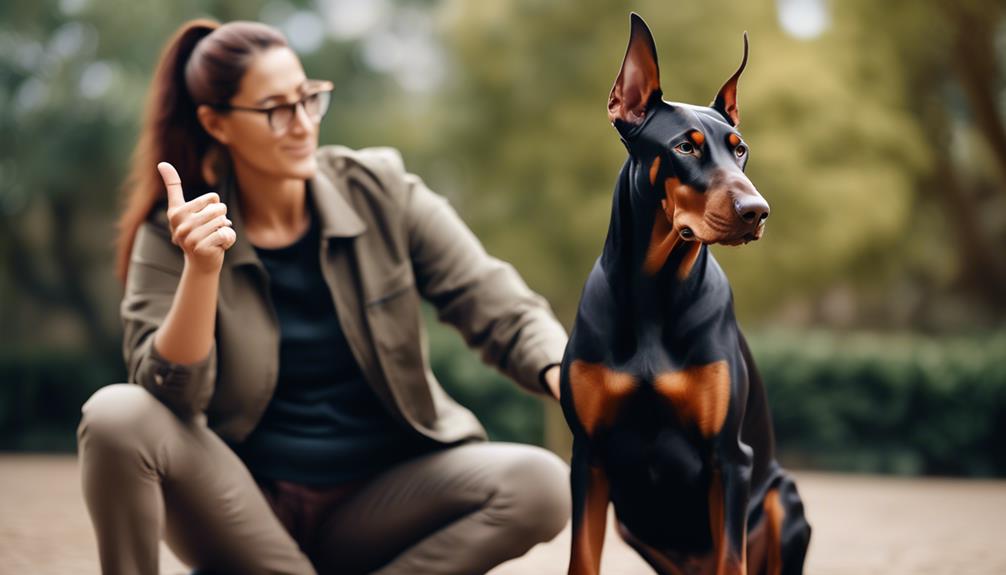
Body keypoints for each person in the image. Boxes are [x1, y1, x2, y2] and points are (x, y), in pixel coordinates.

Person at [76, 19, 571, 575]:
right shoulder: (174, 233)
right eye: (274, 110)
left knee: (542, 484)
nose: (302, 124)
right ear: (217, 123)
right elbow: (174, 397)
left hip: (381, 504)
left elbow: (497, 304)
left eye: (308, 98)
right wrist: (202, 270)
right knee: (116, 416)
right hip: (244, 512)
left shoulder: (382, 191)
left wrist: (570, 382)